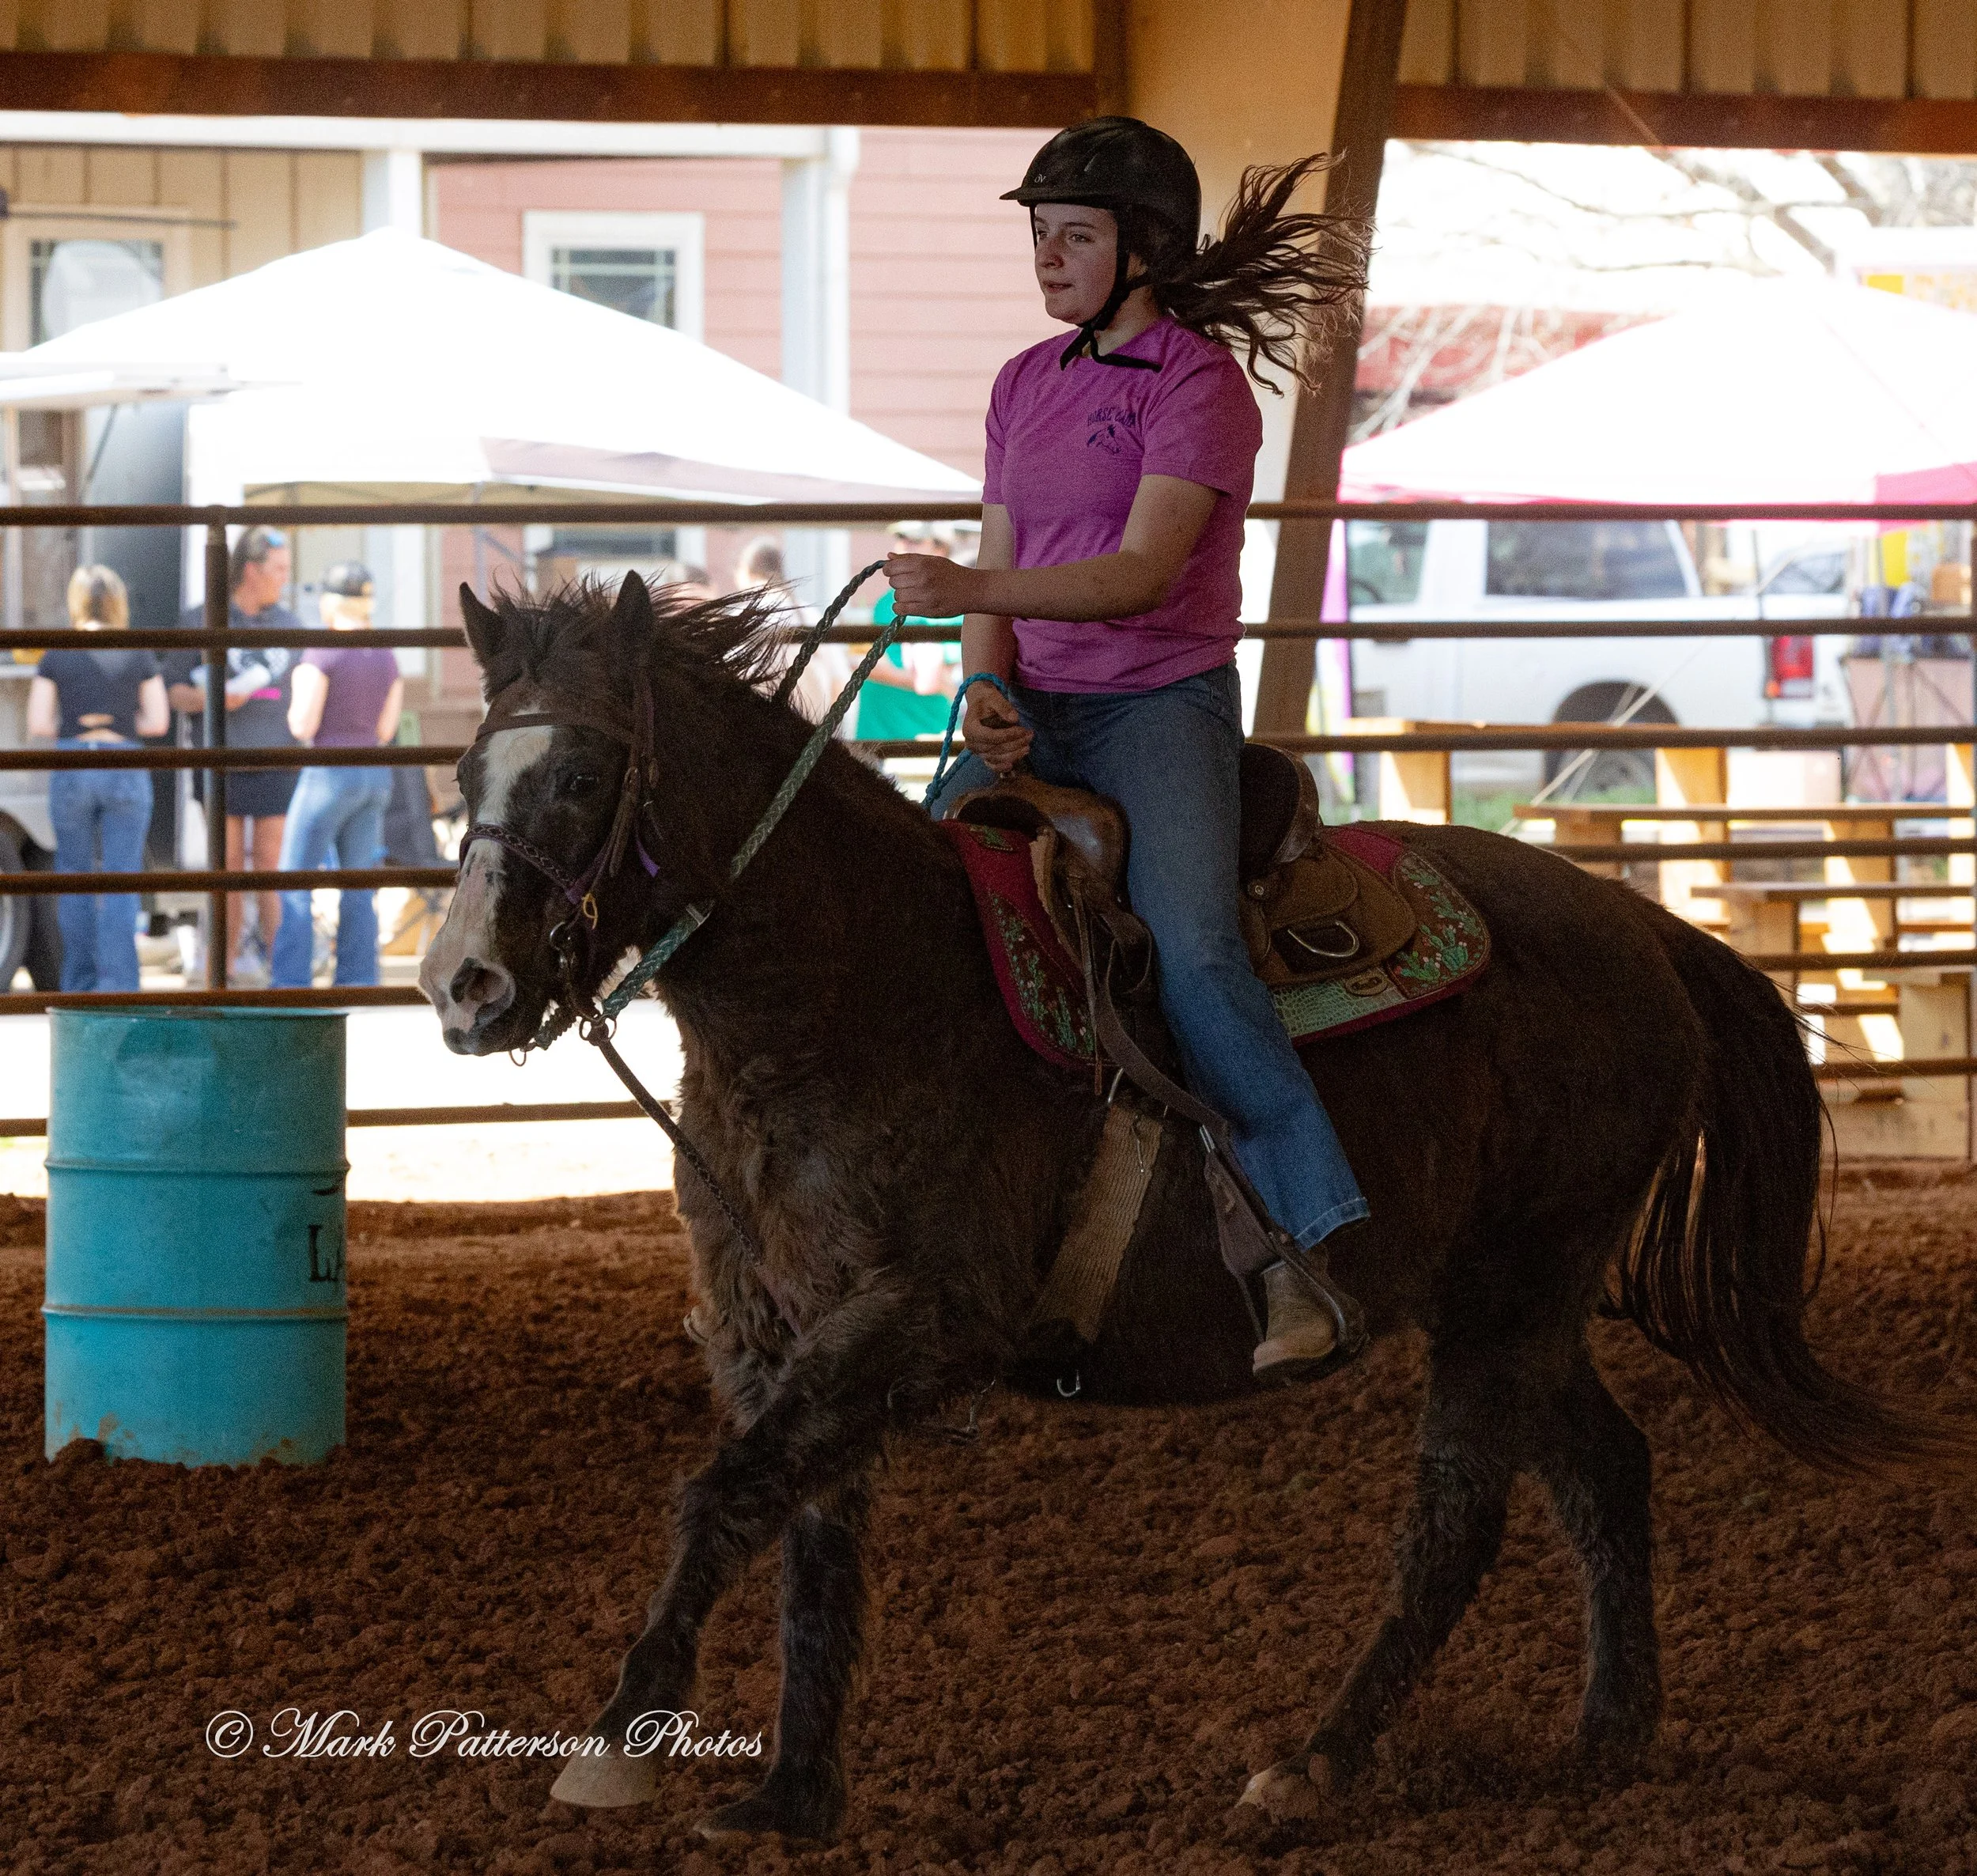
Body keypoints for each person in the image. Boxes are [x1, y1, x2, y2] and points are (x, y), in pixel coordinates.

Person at [896, 117, 1371, 1385]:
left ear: (1142, 249)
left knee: (1203, 952)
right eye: (1041, 235)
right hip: (1038, 706)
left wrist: (966, 588)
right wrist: (984, 680)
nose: (1048, 259)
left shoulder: (1197, 388)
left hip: (1159, 705)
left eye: (1077, 236)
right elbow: (1002, 559)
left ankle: (1301, 1246)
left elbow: (1145, 572)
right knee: (915, 912)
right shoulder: (1022, 383)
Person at [164, 526, 304, 981]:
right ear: (251, 571)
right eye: (278, 570)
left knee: (270, 870)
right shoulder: (201, 618)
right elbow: (174, 692)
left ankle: (284, 976)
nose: (285, 580)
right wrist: (214, 699)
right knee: (225, 871)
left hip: (277, 763)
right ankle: (219, 974)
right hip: (220, 764)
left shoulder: (288, 625)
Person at [27, 565, 168, 991]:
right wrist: (116, 721)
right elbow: (158, 721)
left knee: (75, 875)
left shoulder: (57, 652)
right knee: (122, 878)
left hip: (73, 762)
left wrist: (80, 723)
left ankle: (79, 985)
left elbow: (38, 721)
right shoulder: (137, 650)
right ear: (118, 601)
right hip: (123, 761)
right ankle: (121, 986)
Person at [270, 562, 404, 989]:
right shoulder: (386, 655)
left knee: (295, 879)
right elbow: (385, 731)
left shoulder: (322, 653)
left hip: (328, 773)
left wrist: (297, 682)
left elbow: (302, 725)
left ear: (329, 602)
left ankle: (290, 981)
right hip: (374, 775)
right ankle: (360, 977)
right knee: (358, 882)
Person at [855, 523, 965, 743]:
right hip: (876, 734)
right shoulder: (887, 600)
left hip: (925, 736)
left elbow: (928, 680)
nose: (903, 547)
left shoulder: (955, 605)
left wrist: (868, 666)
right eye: (901, 538)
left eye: (915, 540)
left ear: (940, 549)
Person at [737, 535, 855, 734]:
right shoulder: (810, 615)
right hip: (809, 734)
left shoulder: (741, 619)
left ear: (746, 571)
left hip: (757, 734)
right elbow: (839, 683)